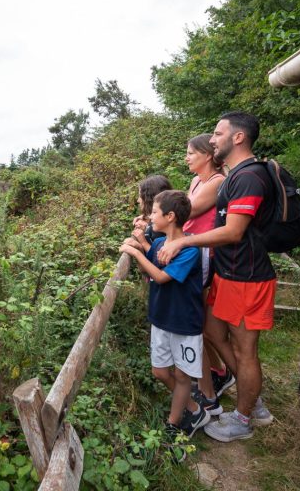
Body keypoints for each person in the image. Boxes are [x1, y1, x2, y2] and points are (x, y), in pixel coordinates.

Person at [158, 112, 276, 442]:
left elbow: (235, 231)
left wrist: (184, 240)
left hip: (247, 277)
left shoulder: (248, 177)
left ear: (237, 138)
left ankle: (245, 417)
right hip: (229, 273)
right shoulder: (236, 175)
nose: (212, 139)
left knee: (245, 350)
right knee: (211, 330)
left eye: (217, 132)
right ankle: (250, 397)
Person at [120, 190, 210, 454]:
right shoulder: (160, 245)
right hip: (161, 319)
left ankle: (173, 423)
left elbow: (160, 277)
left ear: (170, 217)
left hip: (184, 323)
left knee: (182, 376)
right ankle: (193, 408)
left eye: (155, 213)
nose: (150, 216)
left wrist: (135, 253)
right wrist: (139, 245)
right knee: (160, 371)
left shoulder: (189, 250)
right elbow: (151, 262)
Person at [182, 135, 234, 415]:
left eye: (191, 153)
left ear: (206, 155)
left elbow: (185, 212)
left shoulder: (216, 182)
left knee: (198, 323)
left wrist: (156, 217)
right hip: (195, 253)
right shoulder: (197, 181)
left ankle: (208, 392)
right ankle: (218, 372)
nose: (187, 157)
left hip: (205, 257)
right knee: (202, 326)